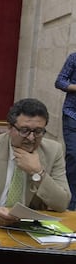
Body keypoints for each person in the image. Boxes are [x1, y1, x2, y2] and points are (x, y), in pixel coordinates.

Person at [0, 98, 71, 226]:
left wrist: (38, 172)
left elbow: (62, 203)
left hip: (29, 227)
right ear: (10, 127)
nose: (31, 138)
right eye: (24, 130)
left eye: (38, 131)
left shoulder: (54, 150)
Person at [55, 53, 76, 210]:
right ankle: (70, 201)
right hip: (72, 115)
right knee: (73, 155)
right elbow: (60, 82)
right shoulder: (74, 57)